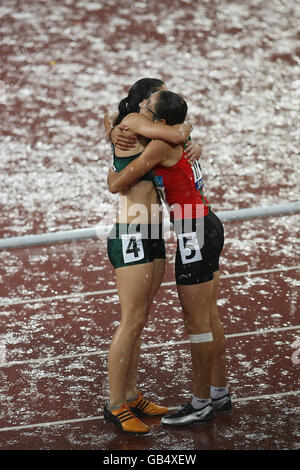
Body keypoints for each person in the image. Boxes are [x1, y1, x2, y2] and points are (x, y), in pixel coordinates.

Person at [107, 90, 232, 427]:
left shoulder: (158, 139)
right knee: (140, 320)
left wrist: (186, 133)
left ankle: (203, 401)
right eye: (149, 99)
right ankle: (120, 403)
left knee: (197, 320)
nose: (146, 109)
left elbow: (173, 136)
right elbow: (116, 181)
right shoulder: (137, 129)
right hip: (147, 230)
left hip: (186, 227)